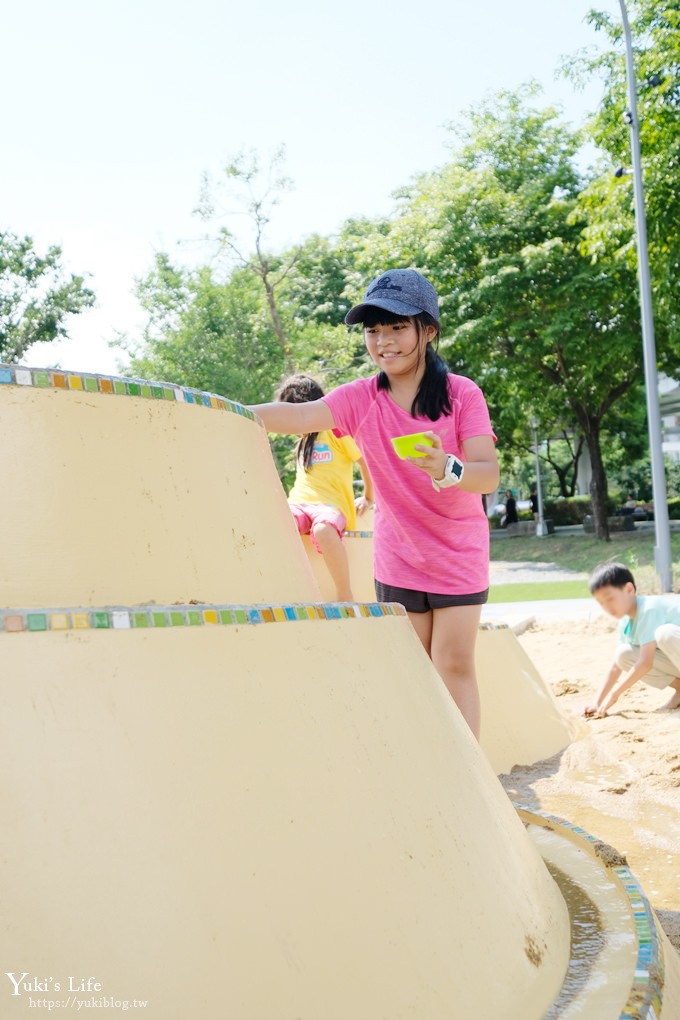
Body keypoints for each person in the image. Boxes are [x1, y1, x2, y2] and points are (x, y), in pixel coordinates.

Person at [249, 268, 499, 739]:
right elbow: (300, 415)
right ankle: (430, 761)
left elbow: (488, 474)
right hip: (399, 556)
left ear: (427, 330)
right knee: (418, 672)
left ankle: (470, 779)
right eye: (373, 330)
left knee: (454, 662)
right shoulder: (361, 398)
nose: (383, 341)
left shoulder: (461, 394)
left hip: (458, 552)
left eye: (397, 327)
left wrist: (450, 468)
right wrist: (230, 412)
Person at [276, 374, 374, 602]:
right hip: (299, 503)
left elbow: (364, 460)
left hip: (330, 506)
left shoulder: (334, 430)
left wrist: (368, 496)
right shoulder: (302, 441)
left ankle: (344, 592)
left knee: (323, 531)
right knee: (279, 523)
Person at [585, 562, 680, 717]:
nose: (607, 607)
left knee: (665, 633)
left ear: (629, 589)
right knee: (623, 655)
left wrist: (615, 695)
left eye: (610, 599)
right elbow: (616, 667)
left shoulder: (650, 608)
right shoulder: (625, 622)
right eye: (601, 603)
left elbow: (645, 663)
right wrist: (596, 702)